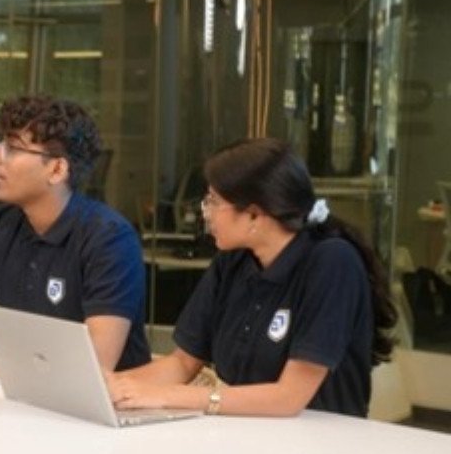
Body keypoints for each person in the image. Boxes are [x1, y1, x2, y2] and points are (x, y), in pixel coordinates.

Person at [106, 138, 397, 417]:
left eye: (213, 202)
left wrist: (173, 397)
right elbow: (183, 363)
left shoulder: (332, 262)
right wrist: (111, 386)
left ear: (255, 215)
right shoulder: (233, 261)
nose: (206, 214)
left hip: (322, 442)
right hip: (245, 435)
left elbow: (289, 397)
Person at [0, 95, 150, 381]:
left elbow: (98, 358)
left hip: (106, 401)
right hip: (21, 394)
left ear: (56, 170)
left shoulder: (109, 238)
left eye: (11, 148)